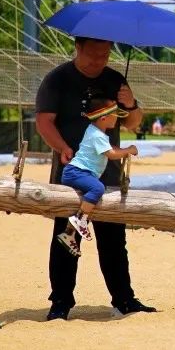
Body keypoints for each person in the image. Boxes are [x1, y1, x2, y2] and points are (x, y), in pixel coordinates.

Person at [35, 37, 157, 321]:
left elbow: (133, 122)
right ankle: (61, 302)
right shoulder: (57, 79)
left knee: (114, 242)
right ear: (77, 48)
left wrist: (131, 104)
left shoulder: (115, 80)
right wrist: (62, 147)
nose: (99, 60)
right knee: (67, 239)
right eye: (93, 54)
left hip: (109, 176)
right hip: (73, 175)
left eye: (105, 55)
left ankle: (124, 300)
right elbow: (44, 122)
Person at [55, 97, 139, 258]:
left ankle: (69, 233)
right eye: (115, 115)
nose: (117, 119)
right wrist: (129, 150)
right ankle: (80, 218)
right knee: (98, 188)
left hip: (78, 172)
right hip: (76, 172)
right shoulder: (97, 135)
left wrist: (124, 150)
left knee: (96, 188)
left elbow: (111, 148)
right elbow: (112, 154)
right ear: (104, 118)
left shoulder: (95, 131)